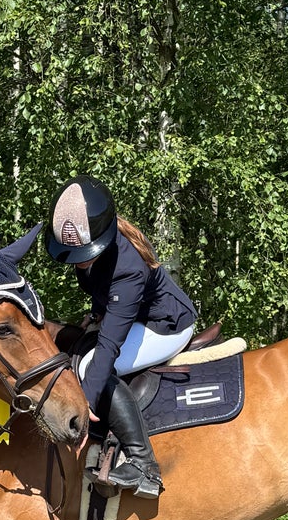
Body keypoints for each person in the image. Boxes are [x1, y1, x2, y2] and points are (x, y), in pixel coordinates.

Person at [45, 175, 197, 497]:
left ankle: (144, 465)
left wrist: (83, 401)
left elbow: (109, 348)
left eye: (84, 252)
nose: (79, 260)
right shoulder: (89, 250)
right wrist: (98, 312)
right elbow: (103, 290)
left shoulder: (127, 268)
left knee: (90, 367)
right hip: (138, 316)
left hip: (167, 325)